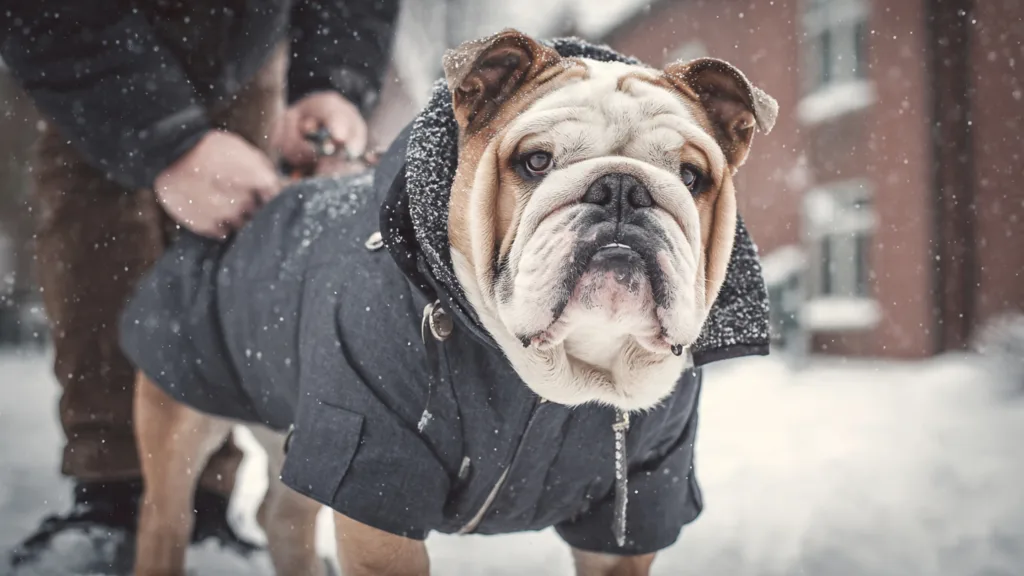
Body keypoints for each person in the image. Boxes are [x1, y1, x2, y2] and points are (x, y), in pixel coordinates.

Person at [0, 0, 398, 571]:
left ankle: (208, 501)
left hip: (243, 42)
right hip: (87, 36)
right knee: (101, 227)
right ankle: (115, 499)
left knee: (237, 248)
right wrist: (167, 140)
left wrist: (334, 79)